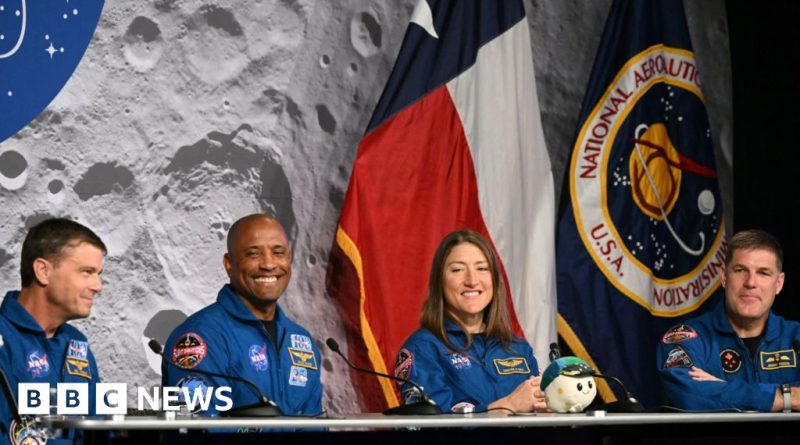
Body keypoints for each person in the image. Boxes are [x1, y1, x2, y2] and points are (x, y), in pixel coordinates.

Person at [163, 214, 322, 416]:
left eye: (278, 252)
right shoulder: (199, 338)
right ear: (229, 264)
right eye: (253, 254)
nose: (268, 264)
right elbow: (197, 426)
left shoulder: (300, 340)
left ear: (289, 259)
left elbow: (314, 422)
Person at [394, 229, 547, 413]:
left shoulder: (519, 349)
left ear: (495, 280)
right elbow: (429, 422)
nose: (472, 281)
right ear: (439, 282)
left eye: (482, 269)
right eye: (458, 270)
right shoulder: (422, 349)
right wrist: (505, 407)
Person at [657, 229, 800, 411]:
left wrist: (721, 388)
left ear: (778, 284)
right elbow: (689, 395)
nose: (750, 283)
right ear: (724, 276)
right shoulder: (687, 340)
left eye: (763, 273)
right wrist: (786, 396)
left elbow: (706, 394)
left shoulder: (796, 337)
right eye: (740, 270)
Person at [0, 218, 105, 445]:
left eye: (98, 274)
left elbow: (94, 430)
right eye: (87, 272)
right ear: (43, 271)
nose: (98, 286)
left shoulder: (76, 343)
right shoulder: (4, 342)